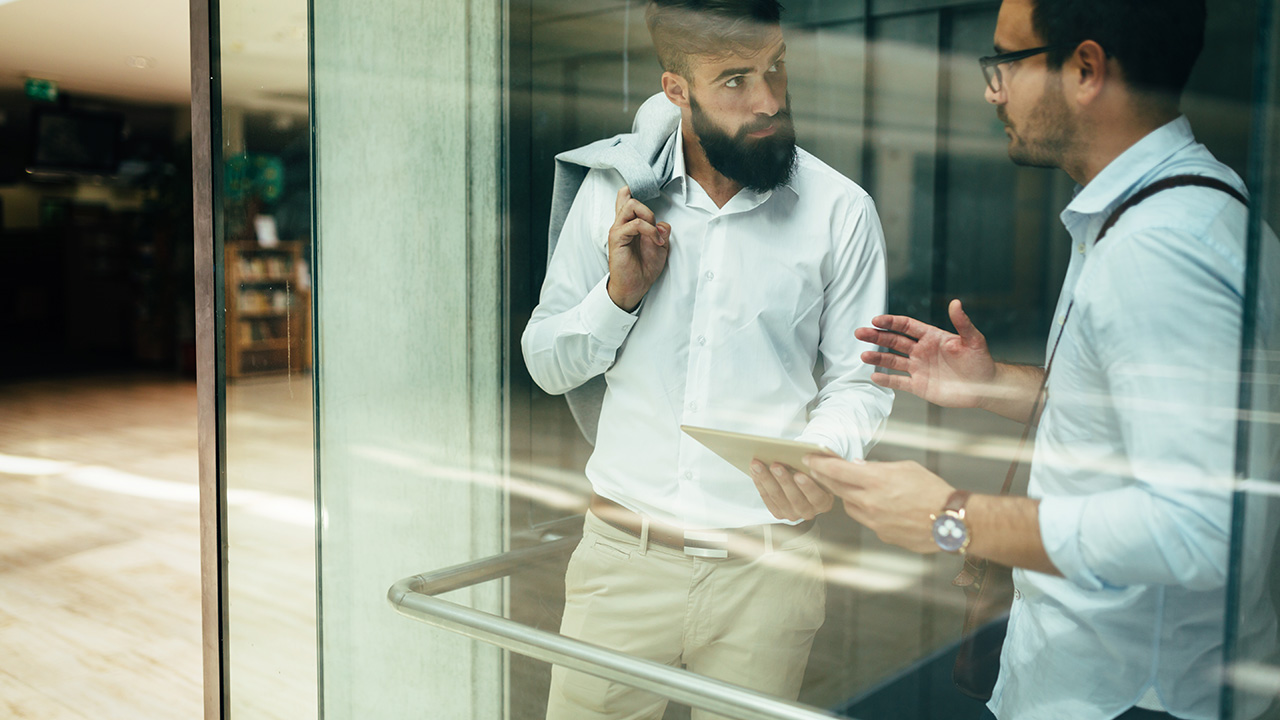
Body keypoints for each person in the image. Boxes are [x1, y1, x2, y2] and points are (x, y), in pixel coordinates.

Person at [755, 1, 1277, 719]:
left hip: (1126, 697)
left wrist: (951, 516)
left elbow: (1196, 523)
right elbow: (1155, 425)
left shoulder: (1160, 250)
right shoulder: (1178, 211)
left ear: (1087, 69)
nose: (990, 89)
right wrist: (996, 384)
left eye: (1006, 63)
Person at [520, 0, 894, 716]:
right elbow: (545, 361)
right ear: (676, 89)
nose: (768, 101)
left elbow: (861, 380)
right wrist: (617, 297)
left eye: (777, 68)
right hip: (620, 568)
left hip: (768, 577)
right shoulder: (613, 192)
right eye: (735, 81)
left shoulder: (840, 210)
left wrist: (819, 454)